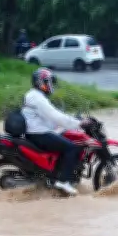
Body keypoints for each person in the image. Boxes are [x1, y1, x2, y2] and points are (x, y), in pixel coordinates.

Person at [23, 67, 88, 196]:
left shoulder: (35, 95)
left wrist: (71, 120)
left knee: (66, 140)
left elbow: (52, 116)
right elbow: (55, 116)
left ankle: (57, 174)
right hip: (39, 134)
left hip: (37, 131)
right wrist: (78, 123)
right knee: (72, 148)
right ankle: (63, 181)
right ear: (41, 83)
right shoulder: (38, 98)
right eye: (48, 82)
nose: (51, 85)